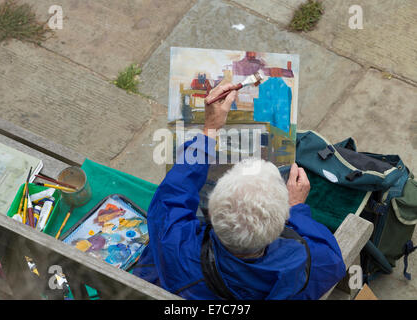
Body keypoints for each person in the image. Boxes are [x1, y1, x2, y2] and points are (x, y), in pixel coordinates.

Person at [133, 83, 346, 299]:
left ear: (212, 212)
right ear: (283, 222)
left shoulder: (173, 244)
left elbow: (173, 192)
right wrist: (297, 208)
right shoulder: (311, 264)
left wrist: (209, 131)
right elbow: (331, 258)